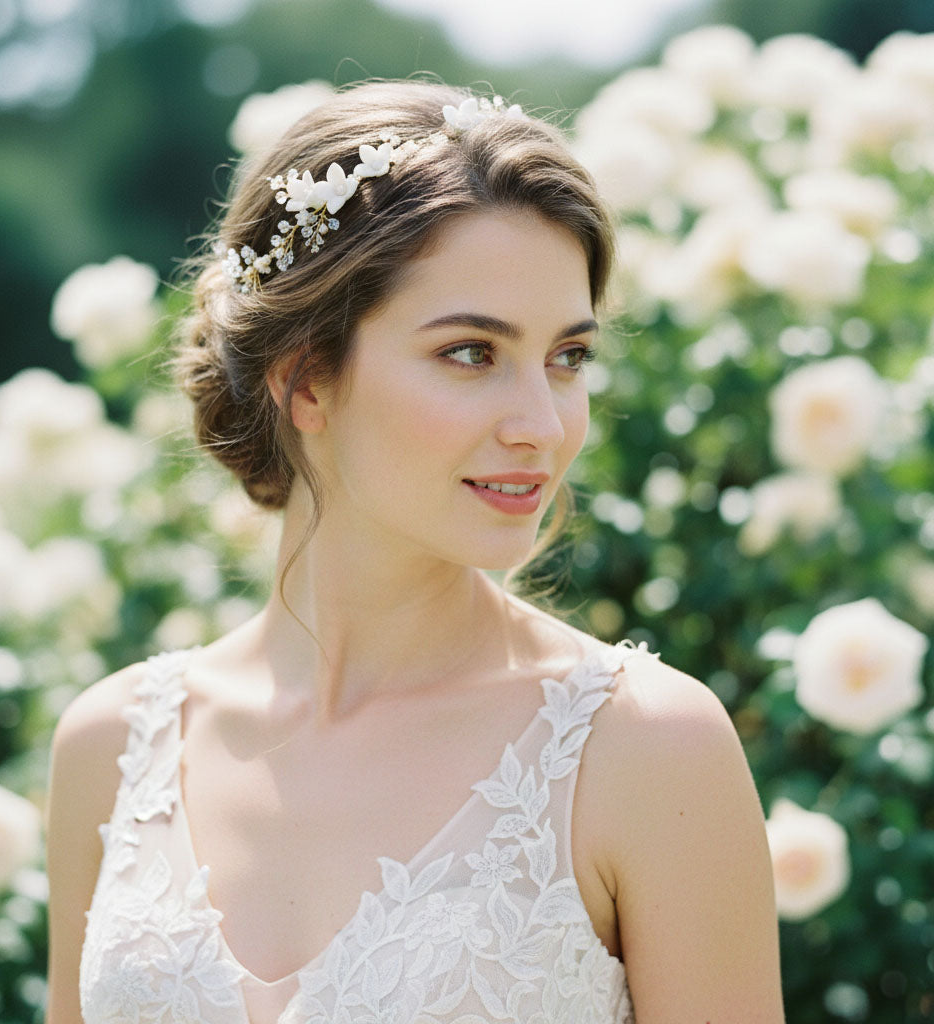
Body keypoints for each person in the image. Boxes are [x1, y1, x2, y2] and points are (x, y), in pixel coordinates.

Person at [44, 80, 785, 1024]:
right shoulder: (112, 748)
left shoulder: (646, 751)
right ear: (306, 379)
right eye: (472, 353)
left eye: (568, 358)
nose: (543, 425)